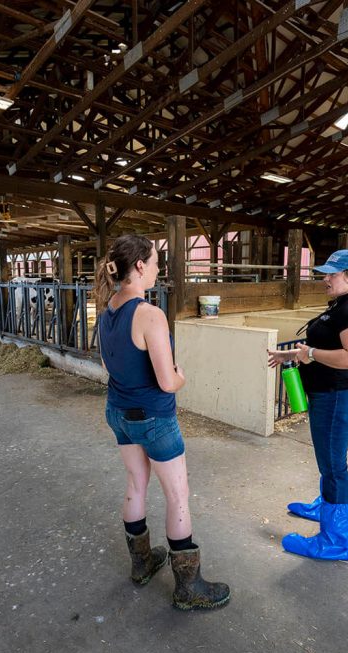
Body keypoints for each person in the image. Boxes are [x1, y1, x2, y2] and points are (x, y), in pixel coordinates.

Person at [94, 234, 230, 610]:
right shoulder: (149, 315)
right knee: (177, 496)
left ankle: (141, 564)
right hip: (154, 417)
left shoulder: (107, 310)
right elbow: (168, 381)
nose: (157, 269)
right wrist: (181, 375)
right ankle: (188, 587)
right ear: (139, 266)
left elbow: (107, 365)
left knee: (136, 484)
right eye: (155, 262)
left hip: (118, 413)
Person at [267, 249, 348, 561]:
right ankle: (326, 505)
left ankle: (335, 540)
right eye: (325, 272)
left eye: (331, 273)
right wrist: (292, 355)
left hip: (337, 396)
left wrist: (311, 355)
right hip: (328, 394)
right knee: (329, 461)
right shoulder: (342, 304)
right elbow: (323, 346)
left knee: (334, 467)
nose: (324, 278)